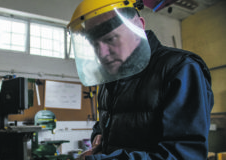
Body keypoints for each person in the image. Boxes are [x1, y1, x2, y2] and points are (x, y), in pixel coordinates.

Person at [67, 0, 214, 159]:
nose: (101, 53)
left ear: (139, 27)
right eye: (94, 44)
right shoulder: (111, 77)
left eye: (110, 39)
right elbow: (110, 122)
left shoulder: (180, 68)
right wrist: (99, 137)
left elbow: (183, 155)